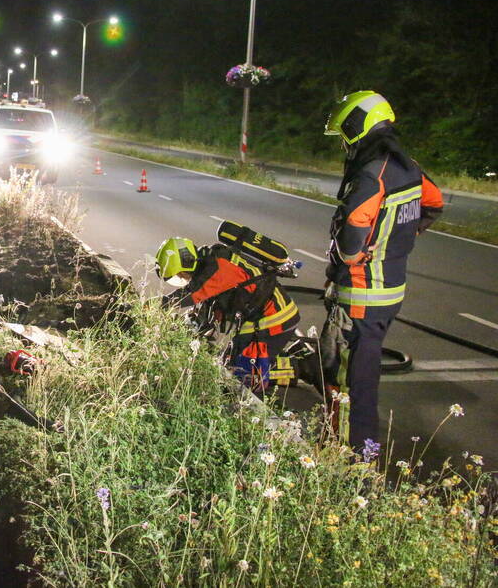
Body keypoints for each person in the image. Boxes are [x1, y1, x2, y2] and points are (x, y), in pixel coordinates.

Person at [321, 91, 443, 450]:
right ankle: (353, 451)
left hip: (360, 296)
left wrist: (353, 254)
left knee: (349, 384)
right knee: (361, 375)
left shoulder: (370, 174)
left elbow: (351, 240)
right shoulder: (407, 166)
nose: (344, 143)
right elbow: (433, 203)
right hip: (389, 294)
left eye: (345, 133)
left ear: (358, 126)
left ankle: (351, 460)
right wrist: (400, 235)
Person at [156, 236, 300, 393]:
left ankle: (297, 368)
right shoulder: (207, 262)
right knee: (228, 362)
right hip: (257, 318)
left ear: (186, 262)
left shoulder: (217, 270)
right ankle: (282, 359)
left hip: (275, 319)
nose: (183, 278)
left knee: (241, 377)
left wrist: (153, 304)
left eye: (181, 275)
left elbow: (188, 295)